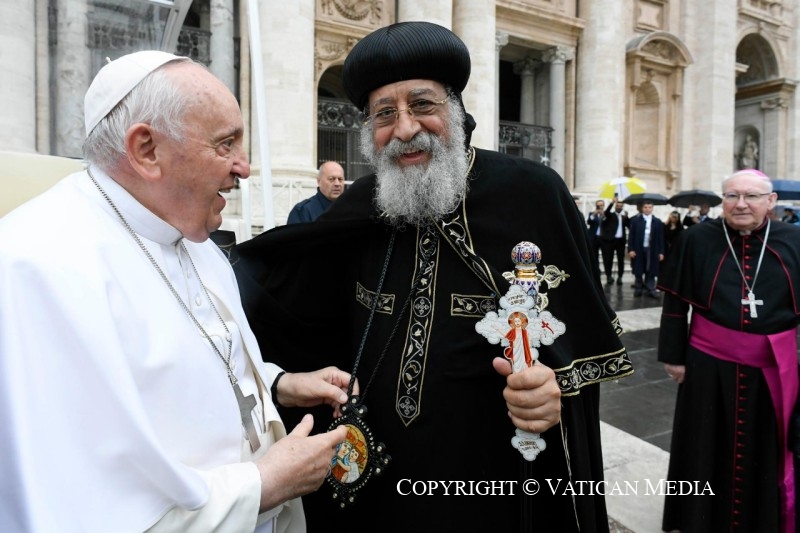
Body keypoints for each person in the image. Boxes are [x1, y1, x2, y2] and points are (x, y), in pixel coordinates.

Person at [233, 21, 632, 533]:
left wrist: (556, 389)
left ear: (457, 111)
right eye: (384, 114)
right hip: (376, 483)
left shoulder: (532, 194)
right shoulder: (360, 205)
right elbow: (285, 302)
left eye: (422, 105)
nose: (403, 129)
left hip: (489, 481)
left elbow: (585, 343)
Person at [0, 51, 352, 532]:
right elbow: (73, 506)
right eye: (225, 144)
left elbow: (192, 362)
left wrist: (277, 384)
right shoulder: (37, 265)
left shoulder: (193, 236)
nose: (244, 168)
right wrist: (262, 486)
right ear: (146, 149)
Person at [657, 168, 800, 532]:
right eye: (732, 196)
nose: (740, 204)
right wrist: (673, 356)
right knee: (703, 443)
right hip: (708, 362)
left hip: (773, 367)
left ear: (771, 201)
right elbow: (675, 302)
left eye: (751, 196)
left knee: (767, 447)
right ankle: (698, 519)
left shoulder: (793, 240)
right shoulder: (696, 239)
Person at [627, 200, 665, 298]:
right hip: (639, 248)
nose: (647, 209)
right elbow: (631, 236)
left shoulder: (657, 222)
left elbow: (661, 238)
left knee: (651, 269)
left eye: (649, 207)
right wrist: (630, 249)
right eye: (645, 207)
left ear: (652, 208)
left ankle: (651, 289)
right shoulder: (636, 221)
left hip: (652, 249)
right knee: (638, 268)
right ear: (642, 208)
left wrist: (661, 252)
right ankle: (638, 288)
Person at [600, 194, 629, 285]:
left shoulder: (624, 217)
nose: (619, 207)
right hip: (610, 240)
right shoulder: (610, 215)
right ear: (615, 206)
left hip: (620, 241)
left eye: (621, 206)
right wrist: (612, 202)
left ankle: (620, 277)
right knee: (608, 259)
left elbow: (629, 226)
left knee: (621, 260)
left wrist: (627, 217)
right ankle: (609, 276)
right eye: (618, 206)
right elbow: (606, 212)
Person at [587, 198, 607, 272]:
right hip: (594, 238)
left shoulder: (606, 214)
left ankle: (607, 272)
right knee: (594, 255)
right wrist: (594, 214)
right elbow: (589, 222)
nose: (600, 207)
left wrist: (603, 216)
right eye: (598, 205)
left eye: (601, 205)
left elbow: (608, 224)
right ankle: (596, 270)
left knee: (606, 255)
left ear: (604, 206)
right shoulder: (592, 214)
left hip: (603, 238)